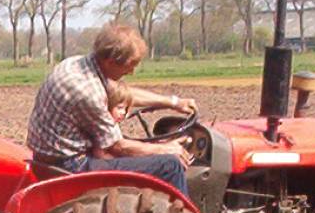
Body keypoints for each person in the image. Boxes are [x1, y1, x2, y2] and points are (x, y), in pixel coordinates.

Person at [25, 23, 194, 195]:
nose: (132, 71)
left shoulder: (75, 65)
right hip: (71, 167)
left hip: (46, 160)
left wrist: (173, 102)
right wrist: (166, 148)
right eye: (131, 64)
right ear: (110, 61)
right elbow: (117, 147)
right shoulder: (88, 93)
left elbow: (121, 95)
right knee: (170, 165)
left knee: (152, 151)